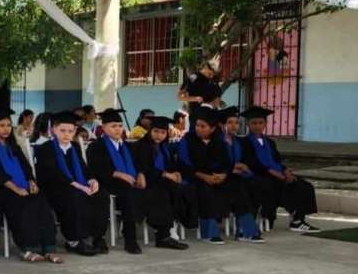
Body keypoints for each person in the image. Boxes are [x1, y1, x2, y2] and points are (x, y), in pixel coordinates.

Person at [0, 108, 61, 263]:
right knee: (22, 204)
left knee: (41, 202)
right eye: (1, 125)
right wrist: (16, 189)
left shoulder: (13, 145)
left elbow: (25, 165)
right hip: (0, 189)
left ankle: (49, 248)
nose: (6, 129)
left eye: (8, 125)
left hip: (22, 186)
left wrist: (31, 181)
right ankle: (27, 248)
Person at [176, 107, 263, 244]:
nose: (198, 129)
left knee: (238, 188)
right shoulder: (187, 140)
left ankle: (246, 232)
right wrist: (205, 177)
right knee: (206, 191)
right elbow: (184, 164)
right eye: (197, 125)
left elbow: (226, 162)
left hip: (217, 177)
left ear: (212, 128)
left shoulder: (218, 141)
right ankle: (209, 233)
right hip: (195, 178)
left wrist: (223, 174)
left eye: (203, 126)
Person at [33, 111, 106, 257]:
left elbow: (83, 167)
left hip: (77, 185)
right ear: (54, 130)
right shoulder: (44, 148)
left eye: (70, 131)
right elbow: (52, 173)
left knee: (101, 195)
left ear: (75, 132)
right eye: (62, 130)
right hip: (54, 188)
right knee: (75, 196)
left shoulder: (75, 147)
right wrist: (77, 185)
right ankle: (74, 240)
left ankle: (97, 237)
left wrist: (92, 180)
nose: (66, 134)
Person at [240, 106, 320, 233]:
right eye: (254, 123)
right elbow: (251, 162)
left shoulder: (270, 142)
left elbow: (276, 160)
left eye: (260, 123)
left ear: (265, 124)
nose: (257, 126)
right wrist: (273, 172)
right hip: (259, 174)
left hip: (276, 173)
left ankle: (298, 220)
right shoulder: (244, 142)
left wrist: (285, 170)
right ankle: (286, 214)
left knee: (304, 185)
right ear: (248, 124)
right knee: (276, 185)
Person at [87, 109, 151, 256]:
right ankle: (105, 239)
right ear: (103, 128)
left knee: (140, 191)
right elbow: (95, 167)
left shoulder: (127, 145)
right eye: (113, 126)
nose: (117, 129)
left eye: (120, 126)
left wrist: (140, 174)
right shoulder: (97, 145)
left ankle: (132, 238)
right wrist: (118, 174)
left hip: (127, 182)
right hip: (105, 181)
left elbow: (137, 163)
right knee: (123, 193)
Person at [130, 117, 192, 249]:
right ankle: (163, 235)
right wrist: (165, 174)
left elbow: (170, 165)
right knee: (163, 192)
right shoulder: (141, 146)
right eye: (156, 131)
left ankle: (170, 228)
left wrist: (176, 173)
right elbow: (143, 169)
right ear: (150, 131)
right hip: (147, 183)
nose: (159, 135)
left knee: (184, 188)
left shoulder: (164, 147)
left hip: (161, 181)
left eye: (163, 133)